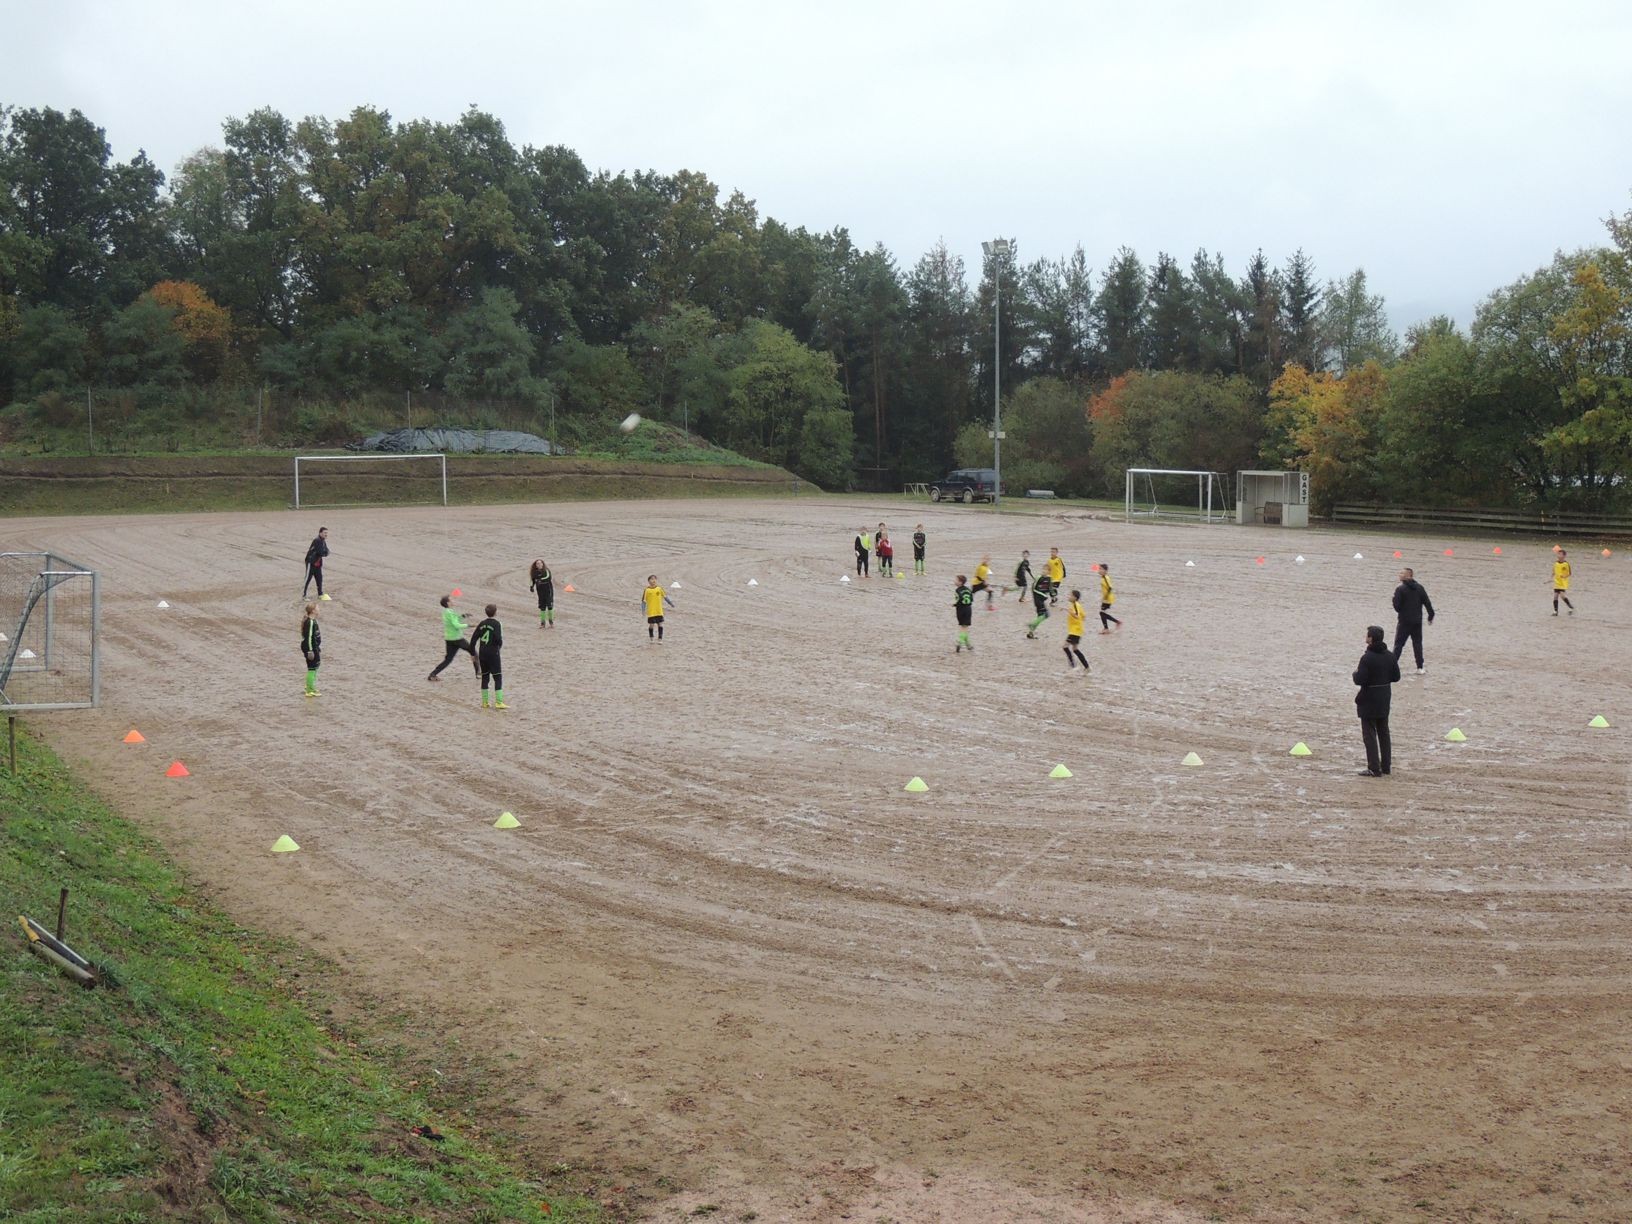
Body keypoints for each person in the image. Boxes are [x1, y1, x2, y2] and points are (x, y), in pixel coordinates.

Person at [1353, 623, 1401, 776]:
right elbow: (1396, 677)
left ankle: (1374, 768)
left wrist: (1355, 674)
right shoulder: (1390, 656)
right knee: (1384, 733)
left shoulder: (1367, 658)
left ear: (1371, 639)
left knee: (1369, 734)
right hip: (1384, 697)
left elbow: (1359, 679)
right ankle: (1386, 766)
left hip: (1368, 699)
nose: (1365, 638)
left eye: (1367, 635)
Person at [1390, 566, 1436, 674]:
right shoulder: (1420, 588)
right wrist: (1431, 615)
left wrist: (1394, 600)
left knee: (1399, 644)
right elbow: (1427, 603)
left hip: (1404, 622)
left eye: (1402, 573)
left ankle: (1392, 667)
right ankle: (1420, 667)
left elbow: (1397, 607)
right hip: (1417, 621)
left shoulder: (1400, 589)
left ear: (1409, 575)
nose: (1400, 575)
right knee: (1417, 644)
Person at [428, 595, 476, 680]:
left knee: (448, 660)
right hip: (457, 639)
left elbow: (455, 620)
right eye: (451, 600)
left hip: (449, 639)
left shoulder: (446, 611)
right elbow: (456, 625)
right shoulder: (450, 612)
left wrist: (464, 616)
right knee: (473, 652)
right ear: (448, 603)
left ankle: (433, 674)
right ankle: (479, 674)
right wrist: (470, 625)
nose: (453, 601)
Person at [473, 603, 506, 708]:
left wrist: (473, 652)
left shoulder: (481, 624)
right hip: (493, 653)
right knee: (497, 677)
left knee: (485, 677)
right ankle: (499, 702)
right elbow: (498, 638)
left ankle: (485, 702)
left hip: (482, 653)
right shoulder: (497, 624)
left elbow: (474, 638)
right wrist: (499, 647)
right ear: (495, 612)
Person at [1063, 590, 1090, 673]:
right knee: (1075, 649)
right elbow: (1084, 616)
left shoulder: (1075, 605)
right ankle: (1087, 667)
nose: (1068, 596)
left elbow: (1077, 616)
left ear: (1075, 598)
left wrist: (1068, 611)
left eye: (1070, 595)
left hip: (1075, 631)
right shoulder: (1077, 605)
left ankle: (1073, 666)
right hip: (1077, 630)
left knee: (1065, 646)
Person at [643, 575, 675, 642]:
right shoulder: (646, 590)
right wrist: (643, 610)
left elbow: (665, 597)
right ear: (649, 581)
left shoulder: (659, 589)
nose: (653, 580)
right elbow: (643, 601)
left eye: (655, 579)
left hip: (659, 611)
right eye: (652, 579)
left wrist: (671, 603)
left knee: (660, 624)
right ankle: (651, 638)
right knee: (651, 625)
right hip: (651, 612)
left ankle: (660, 639)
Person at [300, 602, 321, 697]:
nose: (319, 609)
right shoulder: (310, 622)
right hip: (310, 648)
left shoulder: (313, 621)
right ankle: (309, 689)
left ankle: (311, 686)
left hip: (314, 647)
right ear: (313, 611)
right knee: (312, 668)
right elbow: (309, 637)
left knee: (315, 667)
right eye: (317, 608)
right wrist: (310, 650)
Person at [303, 527, 330, 600]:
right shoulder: (317, 540)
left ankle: (320, 594)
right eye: (325, 533)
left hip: (318, 564)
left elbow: (327, 551)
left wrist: (325, 553)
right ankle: (304, 595)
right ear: (320, 533)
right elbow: (320, 552)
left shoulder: (323, 541)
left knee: (319, 578)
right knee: (308, 579)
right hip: (311, 562)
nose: (326, 534)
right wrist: (324, 553)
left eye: (327, 533)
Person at [1024, 573, 1053, 638]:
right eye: (1044, 570)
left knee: (1039, 616)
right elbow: (1050, 590)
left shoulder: (1046, 579)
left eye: (1045, 570)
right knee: (1046, 614)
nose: (1044, 571)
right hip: (1039, 601)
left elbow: (1049, 589)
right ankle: (1032, 624)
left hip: (1039, 600)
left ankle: (1030, 633)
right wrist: (1052, 597)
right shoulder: (1042, 578)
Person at [529, 559, 555, 627]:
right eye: (537, 564)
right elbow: (533, 580)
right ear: (536, 565)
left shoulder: (546, 570)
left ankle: (551, 622)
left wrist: (541, 580)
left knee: (549, 606)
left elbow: (548, 577)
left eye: (540, 563)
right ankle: (542, 623)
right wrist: (531, 586)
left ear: (543, 564)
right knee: (542, 607)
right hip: (540, 591)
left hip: (548, 590)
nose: (539, 565)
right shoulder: (534, 572)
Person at [1098, 563, 1123, 633]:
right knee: (1102, 613)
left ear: (1106, 571)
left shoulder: (1106, 578)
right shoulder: (1103, 577)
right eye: (1099, 569)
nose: (1099, 570)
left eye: (1101, 569)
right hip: (1106, 598)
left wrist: (1105, 597)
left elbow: (1110, 588)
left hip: (1108, 599)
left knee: (1102, 613)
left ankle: (1112, 625)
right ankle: (1110, 626)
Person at [953, 574, 974, 653]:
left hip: (960, 610)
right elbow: (971, 599)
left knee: (963, 628)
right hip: (968, 609)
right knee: (965, 628)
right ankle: (966, 644)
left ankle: (962, 643)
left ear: (960, 582)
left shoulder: (957, 590)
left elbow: (959, 599)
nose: (954, 581)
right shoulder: (968, 590)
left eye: (956, 580)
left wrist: (954, 604)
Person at [1552, 549, 1575, 615]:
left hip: (1563, 582)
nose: (1558, 555)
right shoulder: (1555, 563)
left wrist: (1564, 576)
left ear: (1564, 556)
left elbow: (1569, 573)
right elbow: (1553, 571)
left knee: (1562, 596)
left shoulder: (1566, 564)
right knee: (1555, 596)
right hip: (1557, 582)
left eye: (1560, 554)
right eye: (1558, 554)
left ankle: (1570, 607)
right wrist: (1551, 577)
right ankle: (1555, 611)